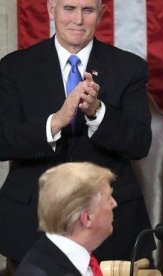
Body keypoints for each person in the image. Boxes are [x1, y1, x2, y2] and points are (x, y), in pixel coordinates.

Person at [0, 0, 154, 267]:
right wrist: (55, 122)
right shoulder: (15, 67)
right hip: (31, 221)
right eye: (69, 8)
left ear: (101, 13)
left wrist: (97, 112)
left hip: (110, 222)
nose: (78, 20)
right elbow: (4, 141)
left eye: (88, 10)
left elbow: (139, 144)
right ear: (51, 10)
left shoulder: (129, 68)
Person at [15, 162, 117, 276]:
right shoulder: (42, 271)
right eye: (108, 198)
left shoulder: (74, 259)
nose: (114, 204)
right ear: (87, 218)